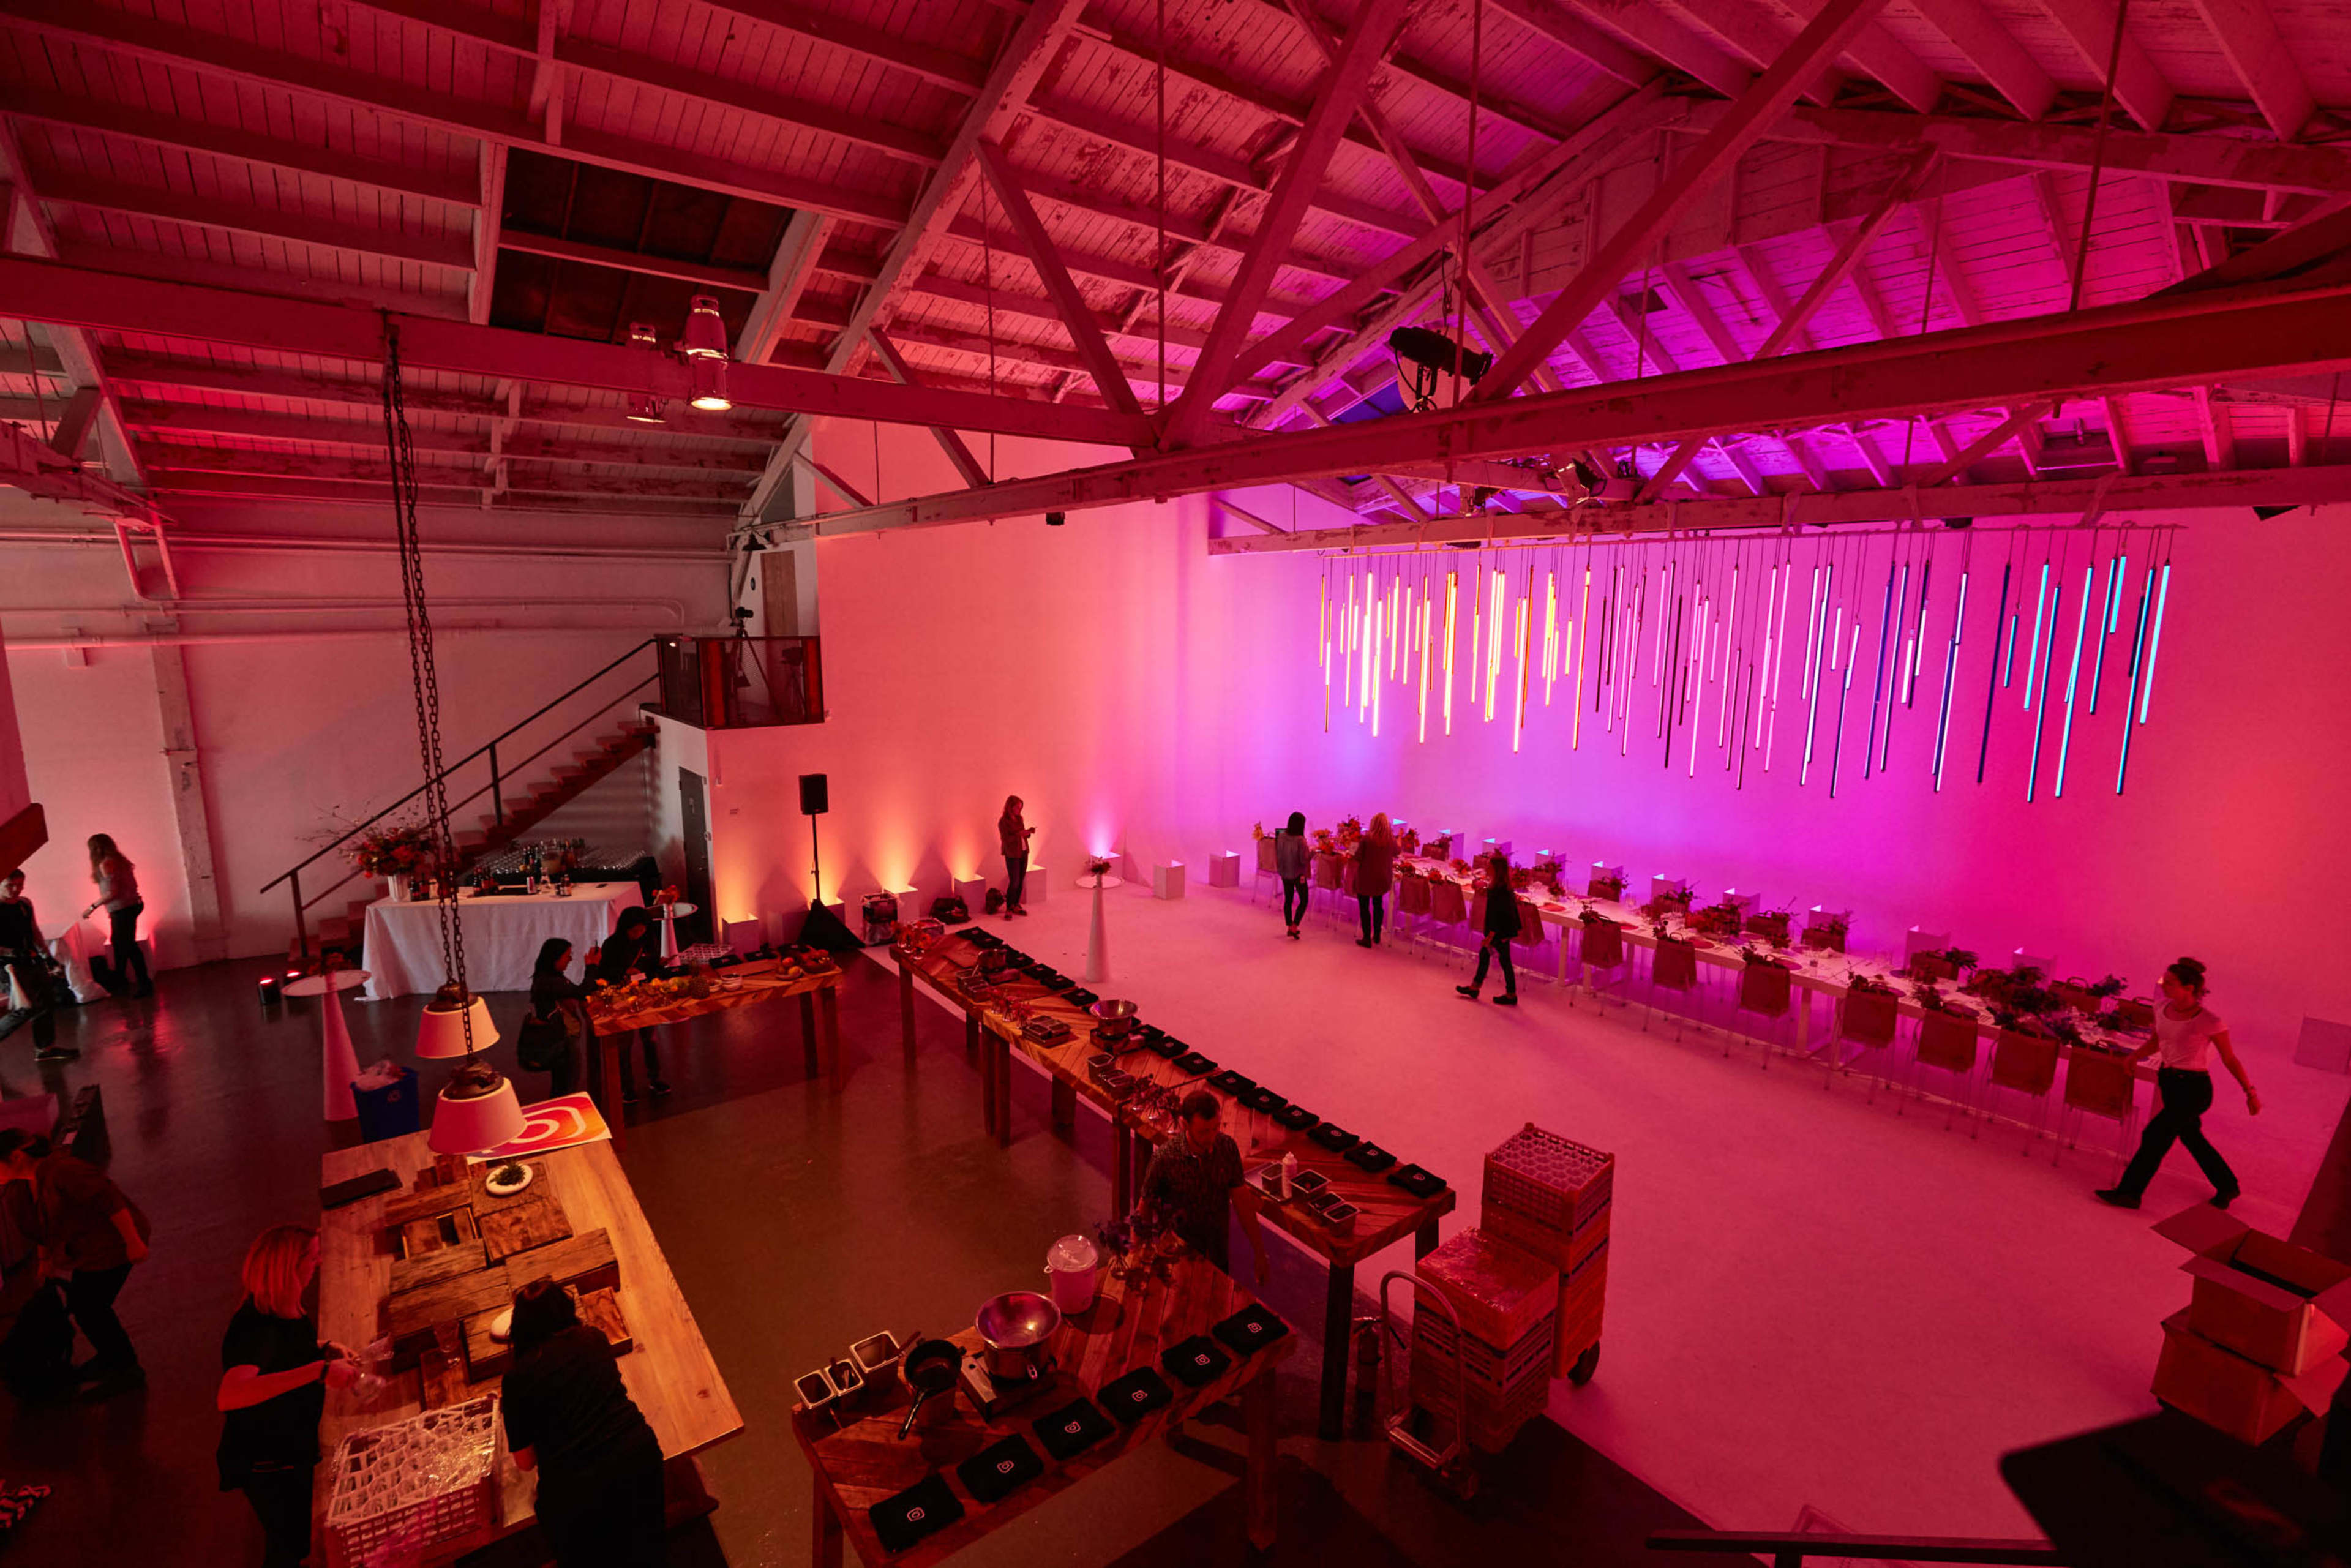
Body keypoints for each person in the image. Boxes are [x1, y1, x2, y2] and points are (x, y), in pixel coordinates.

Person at [217, 1225, 359, 1568]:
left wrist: (321, 1349)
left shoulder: (282, 1305)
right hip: (268, 1462)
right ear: (289, 1267)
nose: (320, 1262)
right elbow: (230, 1395)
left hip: (289, 1447)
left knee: (293, 1539)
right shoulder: (256, 1330)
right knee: (290, 1547)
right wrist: (319, 1372)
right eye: (313, 1256)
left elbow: (285, 1352)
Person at [502, 1276, 664, 1568]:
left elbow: (525, 1463)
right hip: (639, 1457)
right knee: (646, 1548)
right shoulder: (594, 1339)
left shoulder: (516, 1380)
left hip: (576, 1493)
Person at [2098, 958, 2259, 1210]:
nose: (2164, 987)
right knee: (2191, 1137)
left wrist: (2250, 1092)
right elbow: (2157, 1041)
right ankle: (2228, 1185)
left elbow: (2230, 1059)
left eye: (2171, 983)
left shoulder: (2209, 1021)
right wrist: (2134, 1056)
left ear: (2190, 988)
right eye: (2165, 981)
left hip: (2194, 1089)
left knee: (2155, 1135)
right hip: (2170, 1082)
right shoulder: (2162, 1007)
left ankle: (2129, 1194)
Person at [0, 1128, 149, 1397]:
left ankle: (126, 1369)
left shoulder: (62, 1171)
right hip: (89, 1250)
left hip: (111, 1247)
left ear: (15, 1157)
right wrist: (45, 1258)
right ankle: (112, 1358)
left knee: (91, 1308)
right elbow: (45, 1221)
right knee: (86, 1306)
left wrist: (133, 1242)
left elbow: (108, 1200)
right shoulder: (28, 1182)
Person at [1138, 1091, 1268, 1278]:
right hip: (1177, 1253)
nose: (1211, 1137)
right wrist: (1141, 1251)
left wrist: (1259, 1252)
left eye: (1215, 1128)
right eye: (1203, 1132)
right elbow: (1145, 1206)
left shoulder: (1227, 1148)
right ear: (1185, 1125)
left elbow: (1243, 1202)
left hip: (1217, 1249)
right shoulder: (1165, 1158)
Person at [589, 910, 668, 1103]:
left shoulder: (649, 941)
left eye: (642, 929)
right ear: (625, 928)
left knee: (650, 1040)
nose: (639, 933)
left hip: (645, 994)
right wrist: (625, 972)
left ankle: (655, 1079)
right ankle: (627, 1088)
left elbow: (651, 966)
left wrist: (659, 965)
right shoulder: (612, 944)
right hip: (621, 996)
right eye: (635, 930)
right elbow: (605, 972)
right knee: (625, 1044)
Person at [0, 871, 69, 1063]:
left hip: (31, 960)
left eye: (20, 884)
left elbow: (34, 932)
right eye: (10, 885)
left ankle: (45, 1048)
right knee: (25, 1008)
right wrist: (11, 953)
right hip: (8, 967)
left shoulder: (24, 904)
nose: (16, 889)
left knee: (46, 1001)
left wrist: (48, 957)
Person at [80, 834, 151, 997]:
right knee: (124, 945)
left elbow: (111, 893)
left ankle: (138, 983)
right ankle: (124, 979)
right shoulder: (120, 860)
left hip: (123, 909)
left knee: (127, 946)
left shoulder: (106, 863)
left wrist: (91, 908)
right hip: (132, 905)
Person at [527, 939, 593, 1098]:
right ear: (554, 958)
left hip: (559, 1037)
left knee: (564, 1081)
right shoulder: (550, 982)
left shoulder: (549, 978)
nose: (570, 960)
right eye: (567, 956)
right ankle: (564, 1114)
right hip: (563, 1038)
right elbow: (583, 991)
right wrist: (591, 966)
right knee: (568, 1082)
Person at [1456, 853, 1522, 1007]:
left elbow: (1501, 915)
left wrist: (1491, 935)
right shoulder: (1501, 887)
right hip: (1501, 931)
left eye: (1489, 866)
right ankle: (1476, 987)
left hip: (1500, 931)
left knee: (1502, 960)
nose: (1487, 868)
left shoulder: (1500, 890)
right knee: (1490, 957)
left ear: (1496, 870)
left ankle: (1508, 994)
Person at [1352, 812, 1397, 948]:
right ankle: (1377, 935)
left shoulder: (1367, 839)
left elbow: (1358, 857)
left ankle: (1366, 937)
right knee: (1378, 906)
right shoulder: (1391, 840)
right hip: (1383, 878)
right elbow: (1397, 852)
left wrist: (1352, 851)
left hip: (1366, 878)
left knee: (1364, 907)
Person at [1272, 813, 1309, 940]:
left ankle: (1289, 925)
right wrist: (1314, 853)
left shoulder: (1281, 837)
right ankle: (1295, 925)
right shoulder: (1300, 840)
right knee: (1304, 900)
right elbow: (1304, 860)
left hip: (1285, 872)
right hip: (1298, 874)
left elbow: (1277, 853)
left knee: (1288, 900)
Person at [999, 795, 1035, 918]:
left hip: (1024, 851)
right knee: (1014, 881)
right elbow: (1006, 840)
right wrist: (1019, 834)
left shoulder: (1019, 819)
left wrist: (1028, 832)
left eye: (1021, 807)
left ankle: (1016, 904)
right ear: (1010, 807)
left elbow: (1022, 835)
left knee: (1020, 880)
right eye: (1017, 807)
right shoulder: (1003, 822)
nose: (1019, 809)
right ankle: (1009, 907)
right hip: (1012, 854)